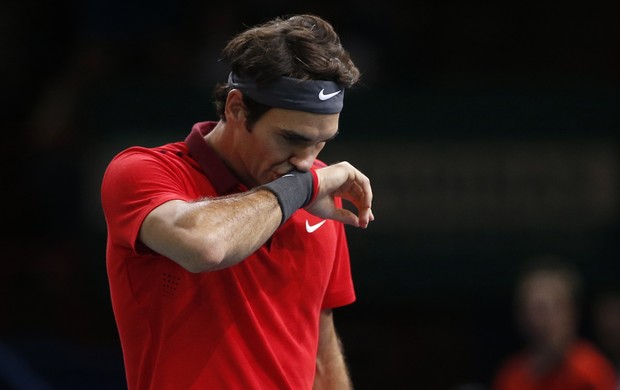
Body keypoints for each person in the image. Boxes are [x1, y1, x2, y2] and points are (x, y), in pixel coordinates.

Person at [100, 14, 374, 390]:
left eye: (320, 142)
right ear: (236, 108)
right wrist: (305, 188)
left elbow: (320, 353)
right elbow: (204, 246)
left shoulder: (312, 184)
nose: (306, 161)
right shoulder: (143, 171)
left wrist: (307, 185)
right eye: (291, 140)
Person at [492, 256, 617, 390]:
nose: (543, 319)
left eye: (555, 307)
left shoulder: (592, 371)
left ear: (573, 312)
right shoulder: (510, 375)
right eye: (535, 309)